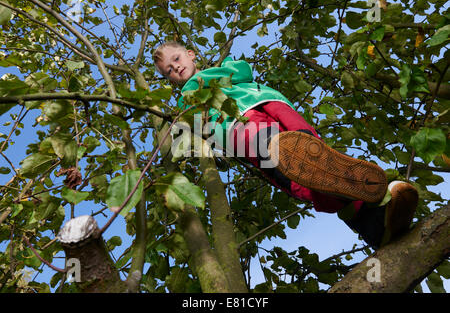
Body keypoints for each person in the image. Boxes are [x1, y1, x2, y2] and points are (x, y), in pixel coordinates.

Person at [152, 41, 418, 249]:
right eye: (168, 71)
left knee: (314, 154)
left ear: (191, 54)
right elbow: (190, 137)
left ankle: (376, 222)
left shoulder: (225, 73)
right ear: (169, 79)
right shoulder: (184, 105)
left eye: (176, 60)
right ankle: (379, 216)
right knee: (295, 172)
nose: (175, 68)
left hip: (265, 108)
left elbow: (244, 77)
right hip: (243, 129)